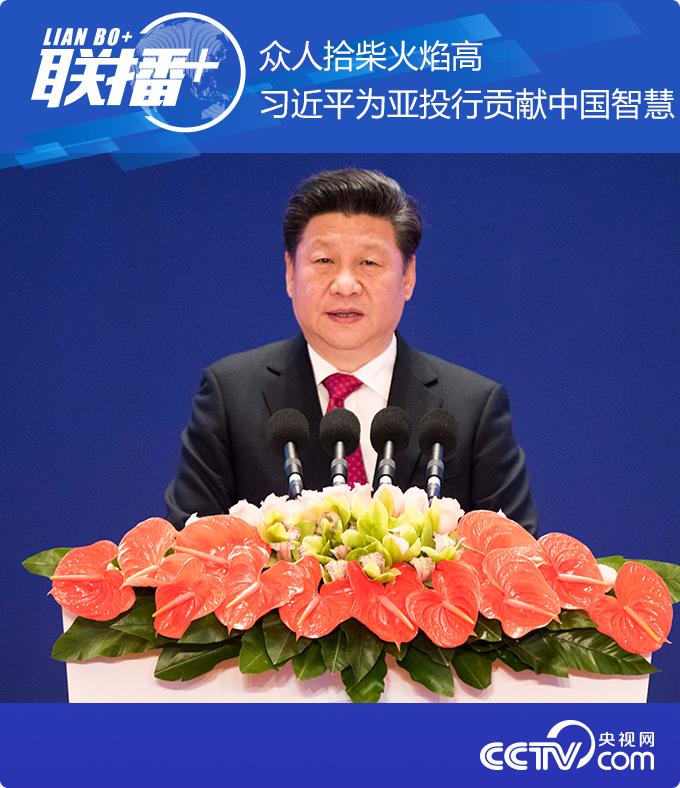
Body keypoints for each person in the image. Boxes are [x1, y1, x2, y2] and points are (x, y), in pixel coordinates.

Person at [165, 168, 538, 534]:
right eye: (324, 261)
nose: (345, 284)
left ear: (408, 276)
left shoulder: (471, 407)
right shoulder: (231, 396)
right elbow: (188, 548)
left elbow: (514, 557)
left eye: (369, 262)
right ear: (290, 272)